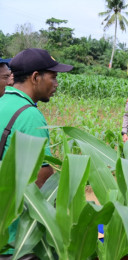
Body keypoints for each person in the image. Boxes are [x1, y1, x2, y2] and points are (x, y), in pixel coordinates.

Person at [0, 48, 73, 257]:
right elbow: (42, 185)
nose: (57, 84)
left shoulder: (2, 101)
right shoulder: (29, 116)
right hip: (17, 238)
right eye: (54, 77)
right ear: (35, 77)